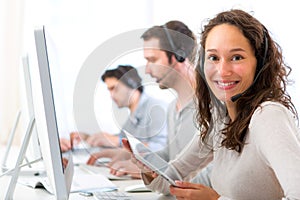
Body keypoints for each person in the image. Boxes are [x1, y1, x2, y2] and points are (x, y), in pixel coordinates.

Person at [124, 9, 300, 199]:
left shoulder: (268, 116)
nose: (222, 71)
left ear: (260, 63)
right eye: (214, 58)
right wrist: (149, 167)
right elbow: (173, 177)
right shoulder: (221, 118)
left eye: (237, 57)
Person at [88, 21, 212, 185]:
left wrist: (160, 178)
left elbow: (205, 172)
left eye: (152, 59)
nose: (147, 70)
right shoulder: (172, 108)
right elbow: (169, 155)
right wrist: (139, 163)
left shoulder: (210, 107)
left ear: (179, 56)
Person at [62, 65, 168, 153]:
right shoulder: (133, 115)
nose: (111, 96)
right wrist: (86, 138)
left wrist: (118, 142)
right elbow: (122, 139)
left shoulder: (156, 108)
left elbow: (162, 148)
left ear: (131, 84)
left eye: (114, 88)